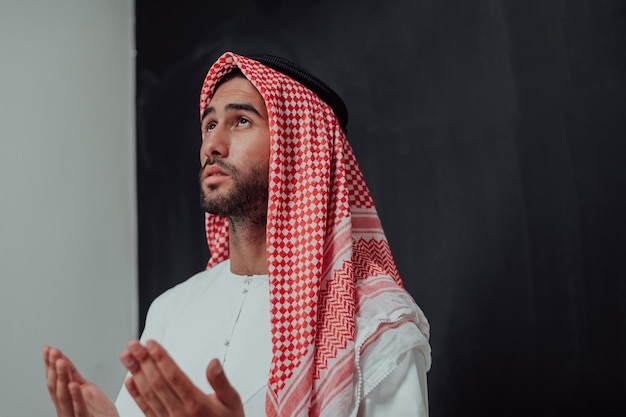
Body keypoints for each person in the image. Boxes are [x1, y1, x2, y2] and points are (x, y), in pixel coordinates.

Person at [43, 51, 432, 417]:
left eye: (241, 120)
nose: (212, 145)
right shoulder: (171, 310)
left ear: (298, 147)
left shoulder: (376, 323)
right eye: (209, 124)